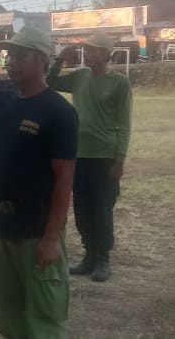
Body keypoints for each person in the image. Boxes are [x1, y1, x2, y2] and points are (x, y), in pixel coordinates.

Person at [0, 28, 78, 339]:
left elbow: (64, 179)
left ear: (41, 61)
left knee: (44, 314)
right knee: (7, 309)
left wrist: (51, 239)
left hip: (35, 229)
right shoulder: (3, 97)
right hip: (0, 224)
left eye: (21, 56)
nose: (12, 62)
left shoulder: (58, 111)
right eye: (10, 56)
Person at [48, 33, 132, 282]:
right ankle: (89, 255)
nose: (89, 53)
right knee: (82, 207)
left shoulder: (119, 83)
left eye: (94, 49)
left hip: (104, 155)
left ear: (106, 53)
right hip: (79, 153)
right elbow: (50, 82)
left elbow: (124, 123)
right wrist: (59, 60)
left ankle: (103, 259)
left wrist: (119, 159)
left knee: (102, 208)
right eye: (87, 49)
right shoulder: (79, 76)